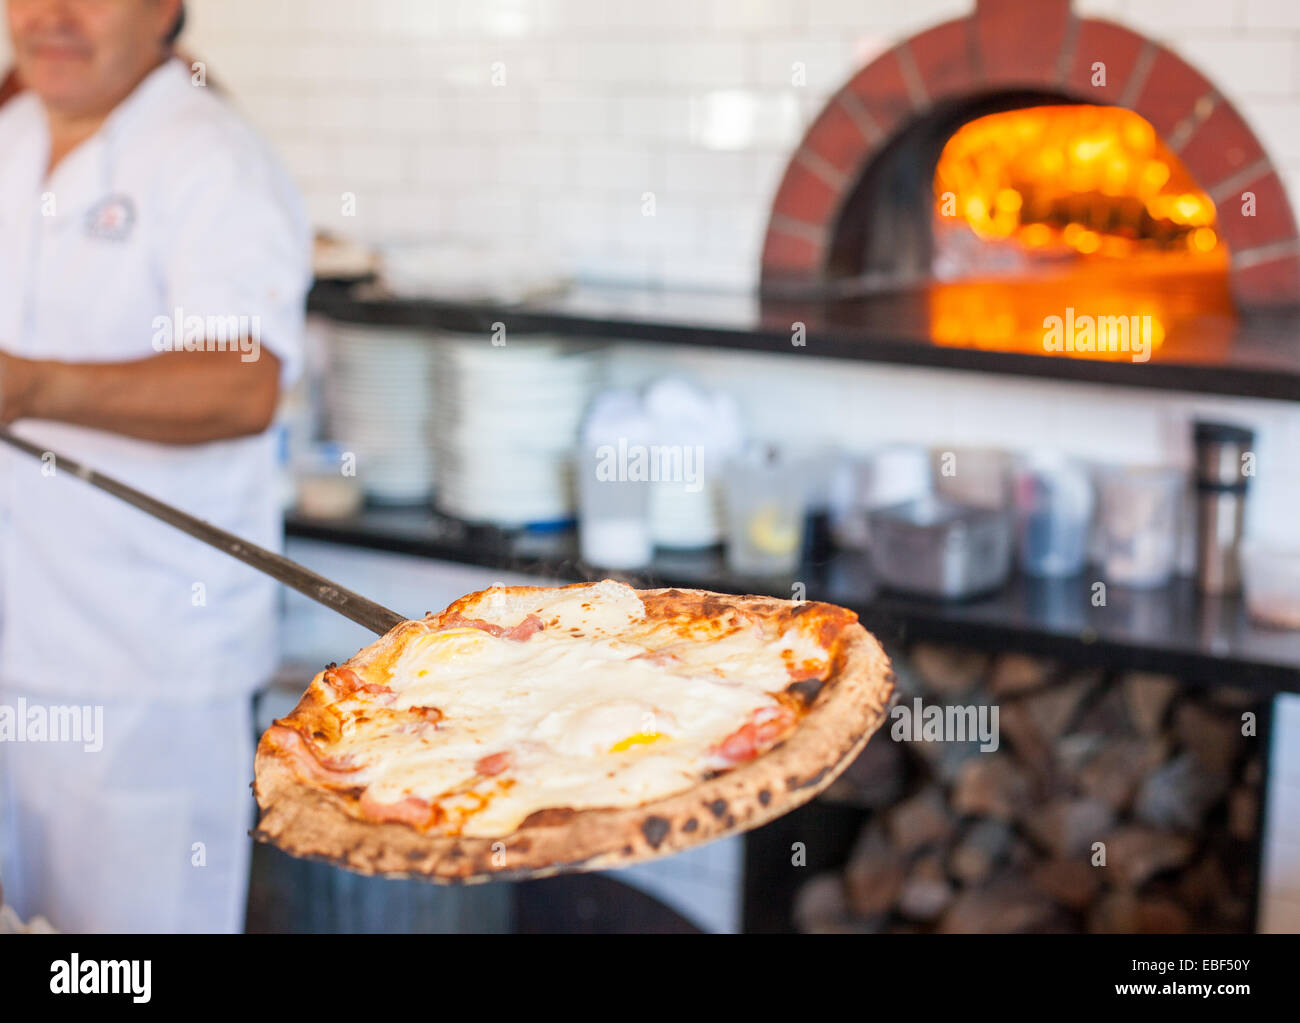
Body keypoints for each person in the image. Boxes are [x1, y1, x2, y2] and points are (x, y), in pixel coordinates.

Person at [0, 0, 311, 932]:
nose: (50, 15)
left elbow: (238, 384)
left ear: (167, 8)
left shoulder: (209, 156)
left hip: (143, 678)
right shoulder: (10, 135)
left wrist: (27, 386)